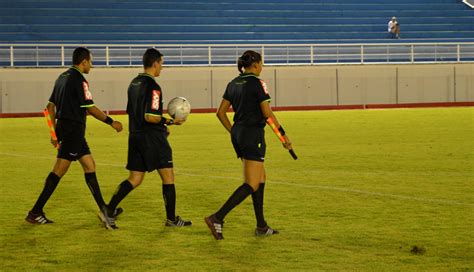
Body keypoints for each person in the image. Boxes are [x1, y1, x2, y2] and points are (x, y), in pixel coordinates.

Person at [25, 47, 123, 229]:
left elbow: (49, 107)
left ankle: (105, 209)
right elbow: (90, 108)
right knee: (59, 171)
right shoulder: (80, 80)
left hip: (68, 130)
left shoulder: (61, 78)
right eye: (90, 62)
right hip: (73, 131)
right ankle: (35, 211)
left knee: (89, 165)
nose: (91, 66)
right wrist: (112, 122)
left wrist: (54, 133)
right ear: (84, 61)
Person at [204, 50, 293, 240]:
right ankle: (217, 217)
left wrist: (234, 131)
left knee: (260, 177)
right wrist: (283, 136)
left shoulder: (233, 83)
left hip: (239, 134)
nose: (262, 68)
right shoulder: (257, 83)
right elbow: (267, 114)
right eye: (261, 64)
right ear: (256, 65)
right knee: (251, 183)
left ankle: (261, 226)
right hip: (253, 135)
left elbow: (220, 113)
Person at [102, 48, 191, 229]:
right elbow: (150, 116)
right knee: (168, 176)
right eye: (162, 64)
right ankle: (172, 219)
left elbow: (134, 112)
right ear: (155, 63)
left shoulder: (133, 83)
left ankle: (108, 210)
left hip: (135, 136)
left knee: (135, 178)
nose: (162, 68)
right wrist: (169, 121)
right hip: (152, 138)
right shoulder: (153, 87)